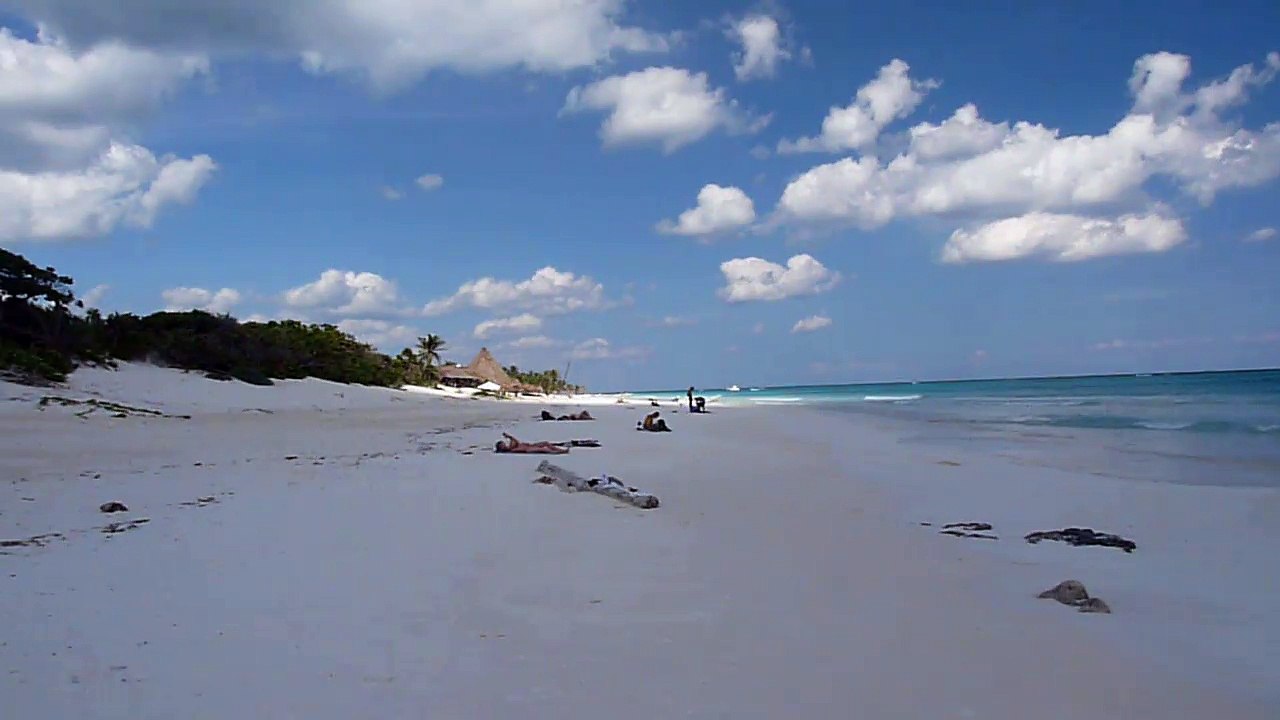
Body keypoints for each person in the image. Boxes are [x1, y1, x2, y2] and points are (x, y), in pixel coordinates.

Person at [494, 433, 569, 454]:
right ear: (501, 448)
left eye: (503, 444)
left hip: (529, 446)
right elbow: (516, 442)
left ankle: (559, 450)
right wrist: (510, 437)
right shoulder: (510, 449)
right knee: (543, 449)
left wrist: (509, 437)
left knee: (545, 443)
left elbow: (515, 442)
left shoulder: (509, 447)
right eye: (502, 445)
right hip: (527, 449)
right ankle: (557, 452)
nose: (504, 445)